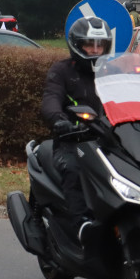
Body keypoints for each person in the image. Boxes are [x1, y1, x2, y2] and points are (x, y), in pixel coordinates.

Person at [40, 16, 113, 245]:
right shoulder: (62, 71)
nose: (94, 49)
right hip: (73, 139)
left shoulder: (112, 71)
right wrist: (60, 121)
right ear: (76, 44)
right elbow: (50, 99)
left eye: (99, 44)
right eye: (89, 44)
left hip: (108, 141)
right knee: (73, 170)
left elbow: (135, 96)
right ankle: (81, 225)